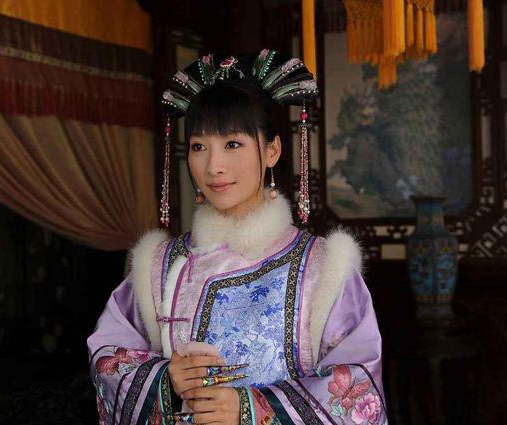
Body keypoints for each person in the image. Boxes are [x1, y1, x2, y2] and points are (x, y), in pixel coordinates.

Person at [87, 50, 387, 425]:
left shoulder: (322, 268)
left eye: (232, 144)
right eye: (199, 147)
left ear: (272, 150)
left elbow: (360, 384)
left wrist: (253, 409)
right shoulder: (158, 266)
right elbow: (108, 356)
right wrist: (165, 379)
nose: (214, 166)